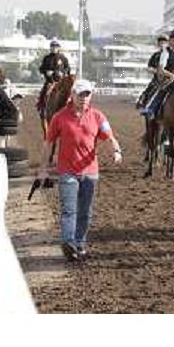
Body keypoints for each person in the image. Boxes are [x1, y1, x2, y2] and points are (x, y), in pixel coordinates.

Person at [39, 79, 122, 262]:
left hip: (90, 172)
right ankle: (68, 242)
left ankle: (79, 243)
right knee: (69, 210)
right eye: (81, 95)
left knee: (85, 212)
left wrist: (116, 150)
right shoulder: (59, 117)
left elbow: (110, 137)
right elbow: (49, 144)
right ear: (72, 95)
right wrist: (43, 169)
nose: (84, 98)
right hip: (67, 171)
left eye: (87, 95)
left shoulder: (98, 116)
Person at [142, 28, 174, 117]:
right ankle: (151, 108)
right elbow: (161, 69)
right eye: (172, 40)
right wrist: (171, 75)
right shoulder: (166, 52)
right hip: (169, 80)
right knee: (161, 90)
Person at [38, 39, 71, 114]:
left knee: (69, 93)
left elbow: (68, 68)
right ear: (50, 48)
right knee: (44, 93)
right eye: (52, 46)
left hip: (61, 82)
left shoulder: (63, 58)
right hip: (50, 81)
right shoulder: (46, 58)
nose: (54, 48)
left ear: (59, 48)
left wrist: (63, 72)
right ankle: (41, 108)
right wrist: (46, 72)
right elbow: (41, 69)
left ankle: (71, 108)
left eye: (56, 46)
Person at [136, 33, 169, 109]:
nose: (162, 44)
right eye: (160, 43)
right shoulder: (155, 55)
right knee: (150, 89)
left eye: (164, 42)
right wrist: (158, 71)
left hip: (171, 78)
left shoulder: (171, 54)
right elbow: (149, 68)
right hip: (158, 80)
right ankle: (143, 103)